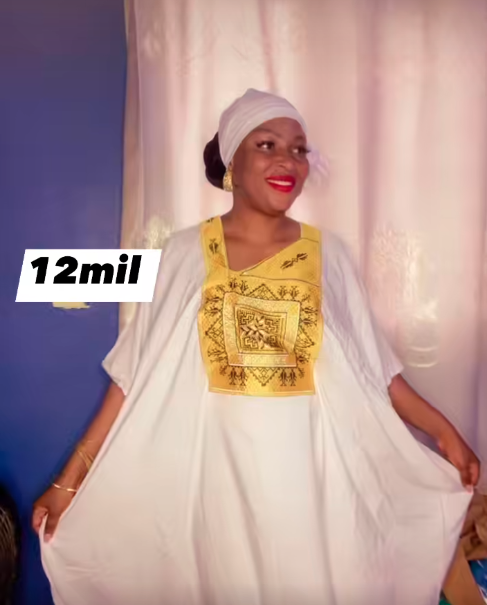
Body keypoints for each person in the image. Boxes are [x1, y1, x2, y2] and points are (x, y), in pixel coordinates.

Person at [33, 89, 480, 605]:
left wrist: (445, 433)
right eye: (267, 145)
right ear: (232, 163)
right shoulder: (184, 252)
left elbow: (375, 372)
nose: (287, 160)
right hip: (213, 481)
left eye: (299, 149)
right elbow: (134, 377)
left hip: (306, 480)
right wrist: (69, 481)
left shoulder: (330, 256)